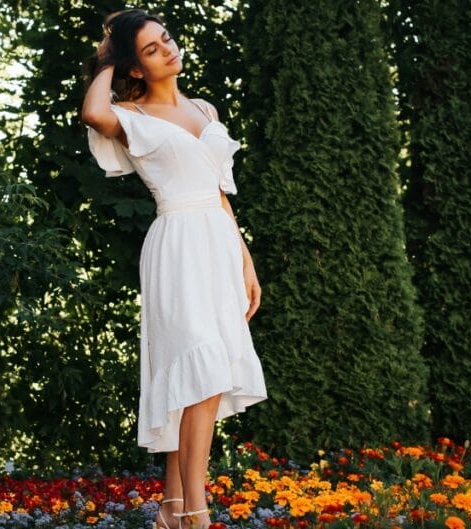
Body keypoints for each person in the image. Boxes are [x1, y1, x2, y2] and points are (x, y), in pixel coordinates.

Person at [80, 9, 268, 529]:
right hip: (177, 247)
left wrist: (246, 261)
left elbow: (221, 195)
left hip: (219, 244)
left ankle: (170, 509)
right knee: (201, 372)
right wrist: (108, 56)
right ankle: (197, 516)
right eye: (151, 49)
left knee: (203, 375)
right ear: (133, 67)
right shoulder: (130, 115)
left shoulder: (204, 109)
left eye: (166, 40)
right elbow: (93, 112)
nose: (168, 50)